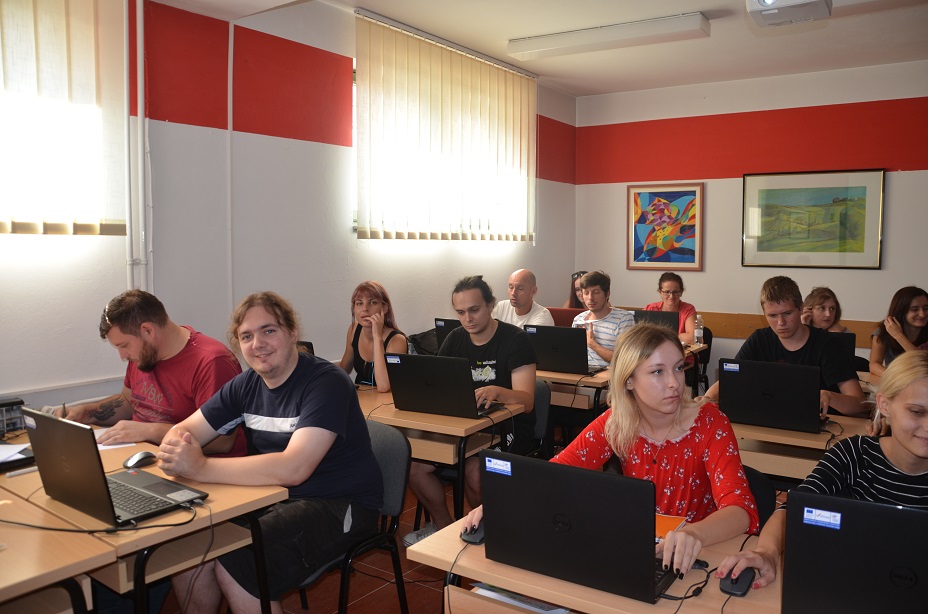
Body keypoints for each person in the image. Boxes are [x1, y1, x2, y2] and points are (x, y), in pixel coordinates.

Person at [463, 324, 759, 576]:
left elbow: (741, 510)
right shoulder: (617, 422)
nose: (674, 383)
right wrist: (503, 500)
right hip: (636, 550)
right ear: (629, 380)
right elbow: (557, 471)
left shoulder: (709, 422)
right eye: (657, 371)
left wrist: (694, 533)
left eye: (679, 368)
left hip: (698, 553)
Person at [159, 291, 383, 613]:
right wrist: (177, 446)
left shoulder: (327, 382)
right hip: (273, 497)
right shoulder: (245, 384)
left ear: (292, 333)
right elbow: (183, 431)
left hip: (340, 504)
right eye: (246, 336)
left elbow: (294, 468)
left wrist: (199, 467)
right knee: (190, 546)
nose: (258, 344)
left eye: (268, 330)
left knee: (240, 557)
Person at [716, 350, 928, 590]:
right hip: (858, 583)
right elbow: (793, 508)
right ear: (885, 405)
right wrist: (766, 552)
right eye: (917, 412)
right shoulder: (855, 454)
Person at [403, 275, 537, 546]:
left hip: (507, 428)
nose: (468, 319)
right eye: (460, 312)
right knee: (415, 467)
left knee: (475, 472)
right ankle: (444, 527)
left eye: (474, 310)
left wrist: (498, 391)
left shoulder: (515, 340)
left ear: (491, 305)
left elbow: (527, 401)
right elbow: (438, 382)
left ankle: (487, 530)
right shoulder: (455, 338)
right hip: (465, 425)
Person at [60, 290, 245, 453]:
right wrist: (87, 412)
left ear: (147, 330)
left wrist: (149, 431)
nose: (123, 356)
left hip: (197, 467)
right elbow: (129, 401)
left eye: (124, 345)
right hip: (142, 454)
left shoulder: (212, 362)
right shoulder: (144, 354)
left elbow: (222, 442)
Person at [705, 276, 866, 417]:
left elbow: (861, 404)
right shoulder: (759, 340)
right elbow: (728, 381)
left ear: (801, 308)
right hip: (768, 422)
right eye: (772, 315)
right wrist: (705, 399)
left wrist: (830, 397)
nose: (781, 323)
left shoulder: (828, 345)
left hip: (819, 430)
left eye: (787, 313)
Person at [338, 281, 407, 392]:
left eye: (372, 302)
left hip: (386, 400)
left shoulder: (397, 340)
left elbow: (384, 386)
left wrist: (377, 336)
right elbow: (344, 367)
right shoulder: (353, 329)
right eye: (359, 303)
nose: (365, 308)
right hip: (361, 397)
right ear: (354, 308)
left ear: (384, 308)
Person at [571, 271, 635, 370]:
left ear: (607, 294)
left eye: (596, 292)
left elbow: (623, 359)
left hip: (607, 374)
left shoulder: (623, 319)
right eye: (586, 293)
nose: (590, 298)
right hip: (581, 372)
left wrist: (592, 344)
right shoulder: (578, 320)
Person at [870, 286, 928, 376]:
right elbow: (874, 365)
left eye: (926, 308)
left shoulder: (896, 333)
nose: (922, 314)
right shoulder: (884, 331)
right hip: (896, 380)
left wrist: (899, 336)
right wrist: (895, 377)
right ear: (901, 311)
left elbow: (924, 362)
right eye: (915, 309)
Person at [644, 272, 697, 344]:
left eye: (675, 292)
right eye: (667, 292)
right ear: (660, 292)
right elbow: (640, 335)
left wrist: (659, 337)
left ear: (681, 292)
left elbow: (692, 337)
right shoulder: (650, 309)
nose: (671, 296)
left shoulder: (688, 309)